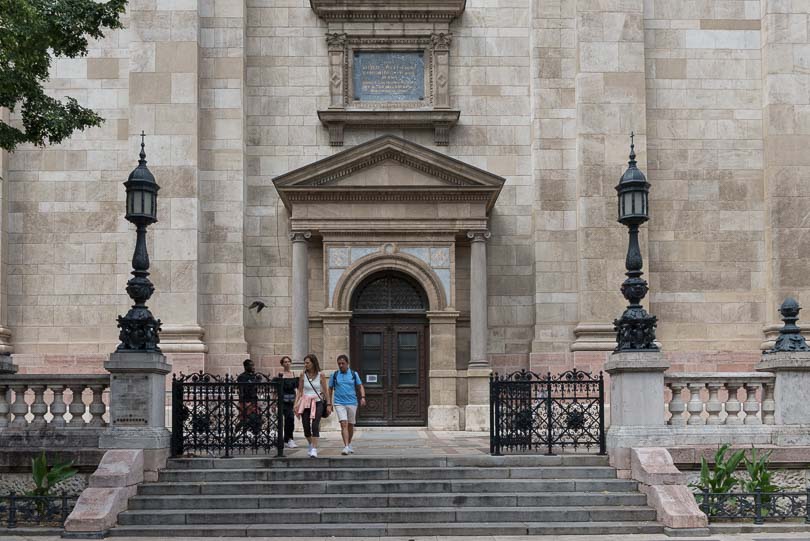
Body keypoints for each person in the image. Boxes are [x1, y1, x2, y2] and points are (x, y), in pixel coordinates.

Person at [328, 354, 366, 455]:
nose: (341, 365)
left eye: (343, 363)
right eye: (339, 364)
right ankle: (345, 446)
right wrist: (329, 403)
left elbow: (360, 386)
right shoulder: (335, 375)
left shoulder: (354, 374)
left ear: (347, 364)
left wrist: (362, 397)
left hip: (352, 402)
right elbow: (330, 389)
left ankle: (349, 444)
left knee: (350, 425)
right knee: (343, 424)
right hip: (339, 403)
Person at [294, 353, 331, 458]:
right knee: (306, 426)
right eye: (305, 363)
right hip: (305, 402)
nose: (305, 365)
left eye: (307, 363)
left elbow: (325, 391)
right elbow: (300, 391)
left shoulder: (321, 375)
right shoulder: (302, 375)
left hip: (318, 401)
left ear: (313, 363)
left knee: (315, 425)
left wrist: (328, 404)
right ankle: (311, 444)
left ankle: (314, 448)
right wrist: (295, 404)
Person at [276, 356, 298, 449]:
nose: (287, 363)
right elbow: (275, 390)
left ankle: (289, 438)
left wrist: (297, 402)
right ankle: (284, 439)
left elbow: (298, 389)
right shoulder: (280, 375)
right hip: (282, 400)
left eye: (288, 361)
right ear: (282, 364)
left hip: (291, 400)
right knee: (282, 420)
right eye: (285, 362)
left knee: (290, 419)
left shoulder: (293, 374)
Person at [236, 358, 260, 433]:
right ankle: (239, 429)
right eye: (251, 365)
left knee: (256, 417)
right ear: (246, 367)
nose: (253, 367)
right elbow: (241, 390)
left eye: (253, 365)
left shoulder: (254, 376)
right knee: (245, 418)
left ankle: (254, 433)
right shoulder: (242, 377)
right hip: (246, 400)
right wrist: (243, 401)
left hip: (254, 400)